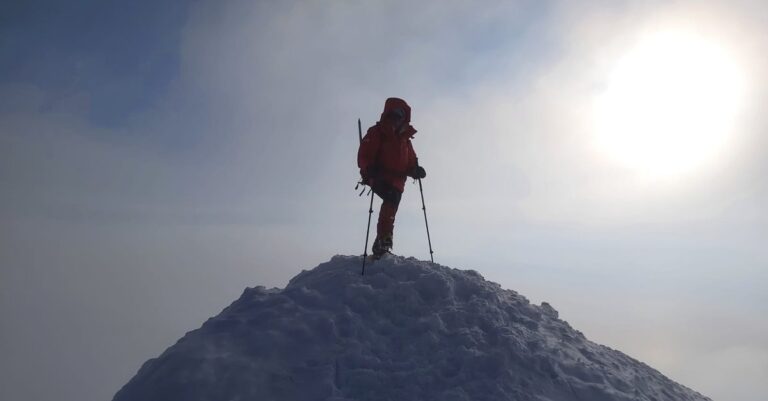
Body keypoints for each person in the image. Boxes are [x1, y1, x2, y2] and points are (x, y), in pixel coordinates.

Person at [357, 97, 426, 258]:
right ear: (388, 114)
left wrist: (415, 170)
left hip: (398, 182)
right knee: (390, 202)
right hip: (379, 176)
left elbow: (410, 163)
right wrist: (368, 168)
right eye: (394, 113)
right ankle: (383, 241)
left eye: (400, 114)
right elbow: (364, 155)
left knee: (392, 207)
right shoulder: (377, 132)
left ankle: (383, 241)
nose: (397, 117)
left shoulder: (405, 140)